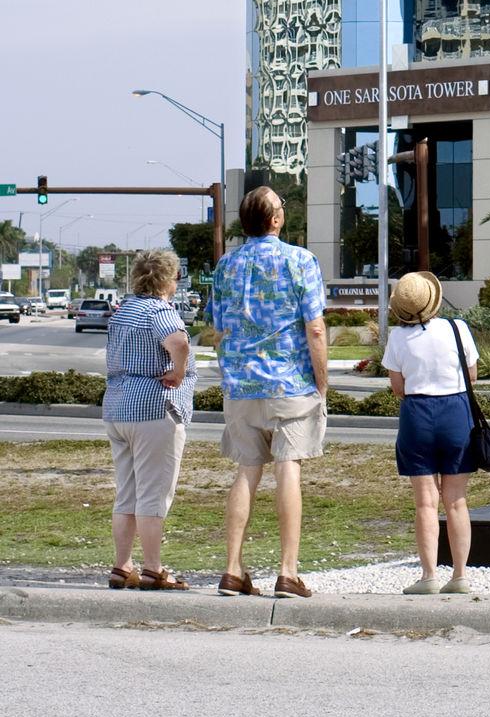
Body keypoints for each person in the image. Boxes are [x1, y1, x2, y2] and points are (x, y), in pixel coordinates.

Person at [210, 185, 328, 597]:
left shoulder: (226, 265)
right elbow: (315, 327)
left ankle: (232, 569)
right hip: (289, 383)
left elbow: (218, 326)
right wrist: (322, 381)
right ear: (276, 219)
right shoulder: (301, 261)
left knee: (246, 471)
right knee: (287, 468)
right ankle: (287, 571)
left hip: (241, 385)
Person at [102, 249, 195, 590]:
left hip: (118, 408)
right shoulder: (159, 310)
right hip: (153, 410)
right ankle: (154, 568)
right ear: (168, 279)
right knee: (153, 494)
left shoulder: (124, 311)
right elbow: (178, 342)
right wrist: (179, 373)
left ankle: (122, 565)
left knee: (126, 493)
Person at [383, 271, 479, 595]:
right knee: (456, 501)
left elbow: (398, 388)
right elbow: (473, 375)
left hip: (417, 413)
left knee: (425, 502)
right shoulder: (457, 329)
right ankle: (460, 575)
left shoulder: (397, 338)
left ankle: (428, 576)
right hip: (456, 411)